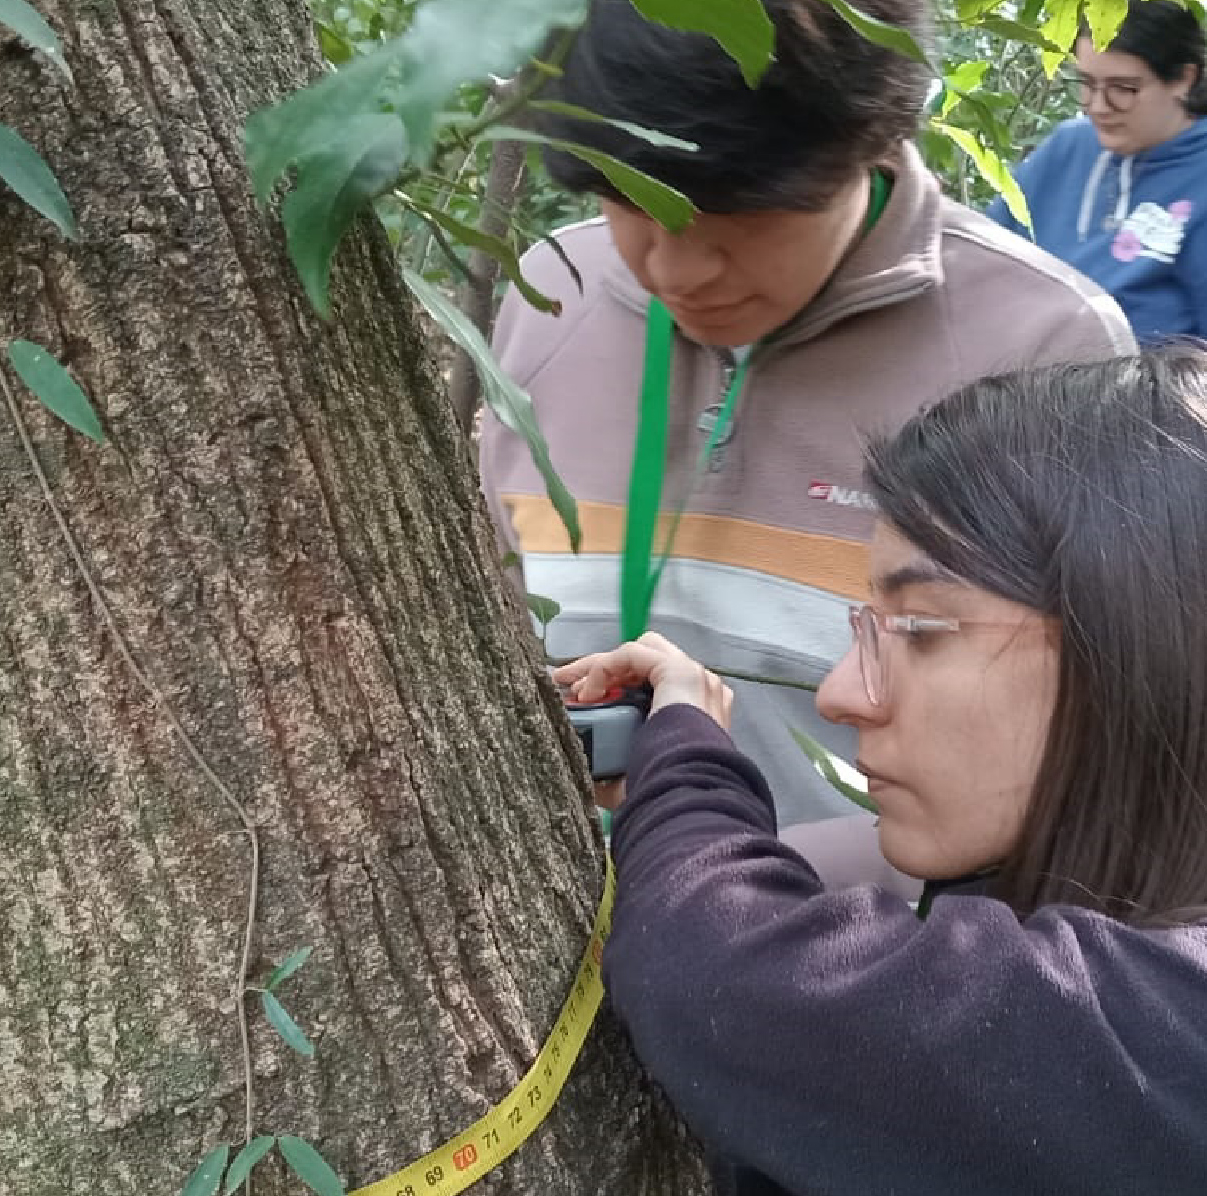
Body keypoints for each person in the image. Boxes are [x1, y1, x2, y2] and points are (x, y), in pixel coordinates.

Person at [555, 345, 1207, 1196]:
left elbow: (717, 976)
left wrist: (688, 763)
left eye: (921, 628)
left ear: (1140, 653)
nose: (842, 695)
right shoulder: (1035, 933)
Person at [479, 0, 1134, 876]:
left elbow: (1076, 775)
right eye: (630, 204)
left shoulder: (1042, 354)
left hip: (857, 970)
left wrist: (727, 906)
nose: (677, 270)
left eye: (740, 215)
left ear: (868, 140)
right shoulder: (553, 295)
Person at [990, 0, 1207, 387]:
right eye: (1086, 84)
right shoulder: (1068, 149)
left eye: (1123, 89)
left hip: (1141, 432)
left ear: (1183, 79)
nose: (1098, 106)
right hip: (1020, 415)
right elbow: (985, 263)